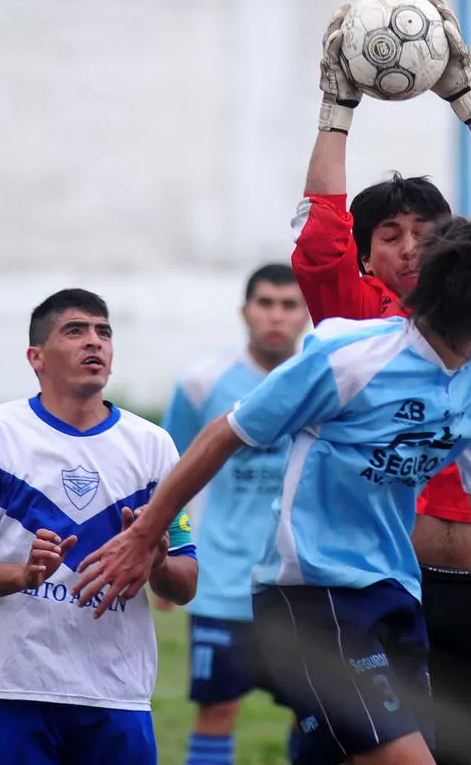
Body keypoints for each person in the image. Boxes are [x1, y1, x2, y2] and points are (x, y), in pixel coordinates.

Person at [72, 218, 471, 765]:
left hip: (397, 591)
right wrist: (145, 535)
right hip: (310, 596)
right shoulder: (348, 358)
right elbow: (223, 436)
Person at [291, 0, 471, 764]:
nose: (409, 247)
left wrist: (465, 96)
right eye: (390, 234)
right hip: (377, 588)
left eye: (426, 232)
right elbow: (319, 234)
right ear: (367, 256)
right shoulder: (353, 317)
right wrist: (336, 108)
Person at [0, 288, 198, 765]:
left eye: (103, 332)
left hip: (118, 695)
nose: (94, 342)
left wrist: (156, 563)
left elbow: (185, 584)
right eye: (75, 331)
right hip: (14, 690)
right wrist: (23, 575)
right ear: (36, 357)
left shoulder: (154, 446)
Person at [160, 263, 309, 765]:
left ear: (306, 314)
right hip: (221, 583)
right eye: (265, 303)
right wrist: (171, 556)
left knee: (313, 718)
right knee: (217, 711)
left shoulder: (324, 378)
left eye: (289, 305)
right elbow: (169, 475)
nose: (276, 316)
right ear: (245, 311)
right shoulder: (203, 382)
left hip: (302, 585)